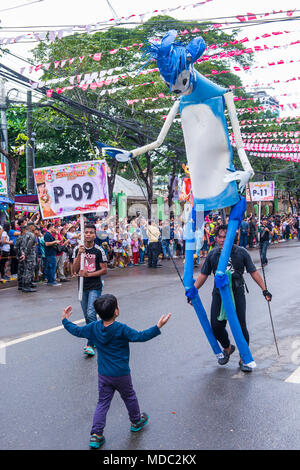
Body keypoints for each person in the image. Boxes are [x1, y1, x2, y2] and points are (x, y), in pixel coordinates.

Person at [61, 293, 171, 449]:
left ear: (98, 314)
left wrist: (65, 320)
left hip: (104, 374)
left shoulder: (93, 327)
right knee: (129, 396)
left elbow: (77, 331)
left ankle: (96, 434)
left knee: (103, 402)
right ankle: (135, 421)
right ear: (116, 311)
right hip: (121, 373)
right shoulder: (121, 329)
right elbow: (140, 336)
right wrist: (158, 327)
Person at [186, 224, 272, 372]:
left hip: (237, 292)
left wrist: (264, 290)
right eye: (219, 237)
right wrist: (192, 292)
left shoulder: (241, 253)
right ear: (216, 238)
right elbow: (203, 276)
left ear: (232, 237)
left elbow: (253, 272)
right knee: (216, 325)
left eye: (225, 237)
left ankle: (244, 357)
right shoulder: (212, 255)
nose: (222, 240)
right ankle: (227, 348)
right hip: (219, 294)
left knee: (240, 326)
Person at [73, 223, 107, 356]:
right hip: (82, 287)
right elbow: (74, 270)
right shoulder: (78, 249)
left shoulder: (99, 250)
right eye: (86, 232)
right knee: (87, 316)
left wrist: (89, 274)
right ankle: (98, 336)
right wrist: (78, 256)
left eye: (91, 232)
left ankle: (90, 344)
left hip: (95, 286)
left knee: (91, 314)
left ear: (94, 234)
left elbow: (104, 270)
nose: (88, 234)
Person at [20, 222, 37, 293]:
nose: (35, 227)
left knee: (26, 270)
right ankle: (26, 286)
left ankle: (26, 285)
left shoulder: (25, 234)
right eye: (34, 226)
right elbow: (29, 246)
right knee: (28, 271)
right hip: (29, 256)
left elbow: (23, 246)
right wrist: (25, 254)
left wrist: (23, 253)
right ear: (30, 227)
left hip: (26, 255)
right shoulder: (31, 235)